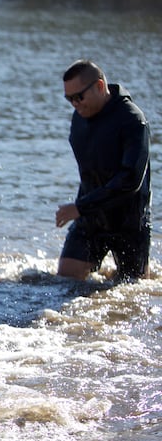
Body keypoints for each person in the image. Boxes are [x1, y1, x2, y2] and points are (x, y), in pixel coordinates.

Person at [55, 59, 152, 282]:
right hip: (91, 220)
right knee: (65, 279)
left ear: (99, 86)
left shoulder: (133, 121)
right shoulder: (79, 118)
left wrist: (80, 207)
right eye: (69, 99)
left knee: (133, 290)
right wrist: (83, 208)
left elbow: (130, 180)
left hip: (129, 223)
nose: (75, 104)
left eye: (79, 97)